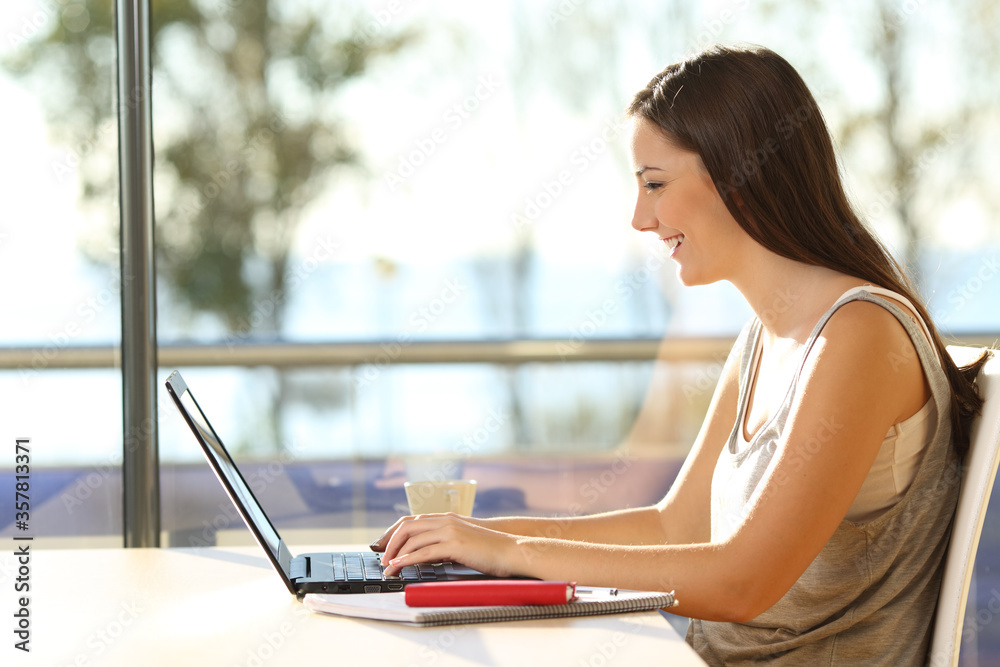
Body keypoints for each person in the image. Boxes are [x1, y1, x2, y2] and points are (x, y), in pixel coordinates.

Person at [370, 44, 990, 665]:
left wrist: (506, 556)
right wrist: (473, 541)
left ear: (740, 175)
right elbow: (677, 528)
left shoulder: (859, 336)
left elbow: (740, 582)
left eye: (656, 185)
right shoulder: (765, 337)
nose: (641, 218)